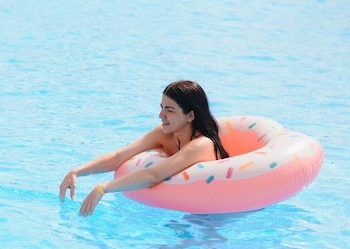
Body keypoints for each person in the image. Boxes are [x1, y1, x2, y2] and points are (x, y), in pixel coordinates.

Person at [59, 80, 229, 216]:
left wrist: (103, 188)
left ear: (190, 115)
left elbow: (154, 175)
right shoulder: (165, 134)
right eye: (161, 108)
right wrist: (76, 171)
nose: (161, 115)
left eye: (169, 110)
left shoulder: (202, 144)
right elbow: (120, 156)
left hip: (207, 216)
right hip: (176, 210)